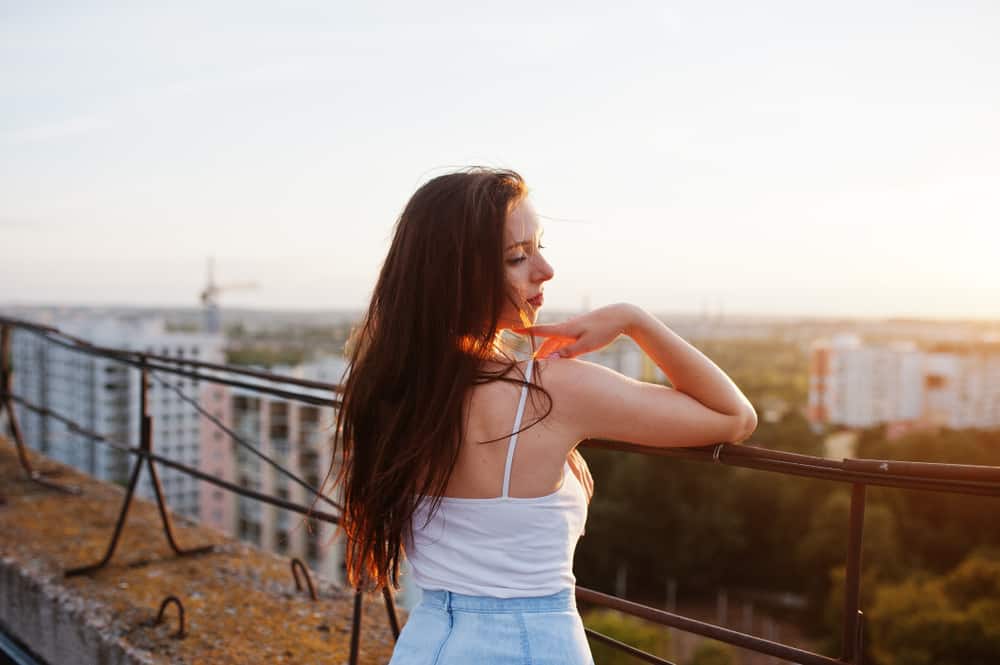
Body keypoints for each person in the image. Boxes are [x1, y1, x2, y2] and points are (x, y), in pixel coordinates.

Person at [328, 167, 758, 664]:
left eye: (539, 247)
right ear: (457, 274)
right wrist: (632, 320)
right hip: (532, 646)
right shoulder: (552, 392)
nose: (545, 269)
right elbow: (733, 416)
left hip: (426, 642)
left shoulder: (390, 389)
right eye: (517, 256)